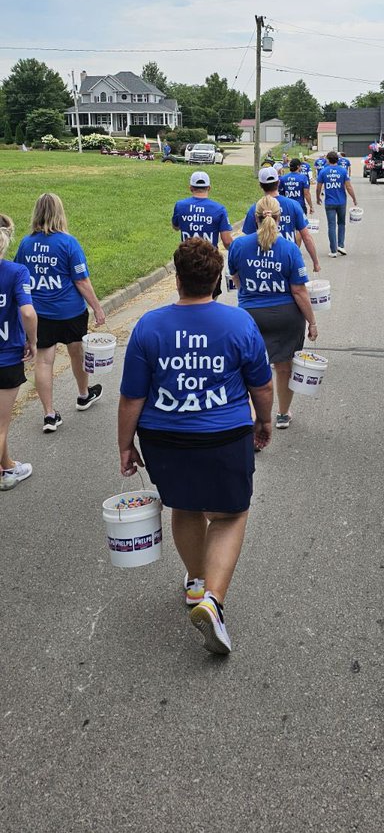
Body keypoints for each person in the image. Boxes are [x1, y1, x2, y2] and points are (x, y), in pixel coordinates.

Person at [118, 237, 273, 656]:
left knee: (185, 506)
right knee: (230, 514)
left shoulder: (149, 325)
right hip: (224, 436)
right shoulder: (239, 323)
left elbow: (132, 396)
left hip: (164, 438)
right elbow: (261, 383)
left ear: (177, 277)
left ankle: (196, 581)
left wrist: (125, 445)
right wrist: (264, 421)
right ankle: (213, 601)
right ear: (217, 277)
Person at [15, 193, 106, 433]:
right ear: (60, 213)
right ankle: (83, 395)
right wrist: (97, 307)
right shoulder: (68, 243)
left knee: (44, 361)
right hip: (70, 312)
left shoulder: (26, 244)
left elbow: (19, 276)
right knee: (76, 352)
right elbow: (82, 281)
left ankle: (49, 414)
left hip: (40, 313)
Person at [228, 196, 317, 430]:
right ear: (279, 219)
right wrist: (312, 322)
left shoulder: (238, 245)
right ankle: (283, 414)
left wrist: (250, 292)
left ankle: (255, 417)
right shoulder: (289, 248)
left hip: (250, 315)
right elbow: (299, 291)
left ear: (254, 218)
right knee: (284, 367)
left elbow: (236, 279)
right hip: (286, 317)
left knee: (251, 369)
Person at [0, 215, 37, 489]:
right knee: (1, 425)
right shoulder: (15, 272)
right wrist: (32, 340)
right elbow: (27, 311)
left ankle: (9, 466)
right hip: (6, 357)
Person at [242, 168, 320, 274]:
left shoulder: (255, 208)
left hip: (263, 261)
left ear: (260, 185)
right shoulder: (293, 205)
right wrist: (315, 262)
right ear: (278, 182)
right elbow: (306, 237)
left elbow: (247, 240)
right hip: (288, 257)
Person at [172, 172, 233, 298]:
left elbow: (175, 226)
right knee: (211, 300)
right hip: (209, 262)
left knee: (186, 298)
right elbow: (227, 241)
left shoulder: (180, 206)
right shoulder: (219, 209)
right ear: (209, 188)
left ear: (190, 188)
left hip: (186, 259)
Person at [316, 150, 358, 257]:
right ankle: (341, 245)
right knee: (341, 223)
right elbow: (348, 187)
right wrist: (354, 198)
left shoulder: (323, 172)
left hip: (329, 202)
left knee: (331, 225)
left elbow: (319, 187)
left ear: (328, 160)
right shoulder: (343, 171)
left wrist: (317, 198)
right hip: (341, 201)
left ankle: (333, 250)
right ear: (338, 160)